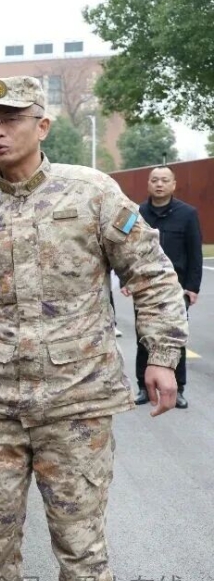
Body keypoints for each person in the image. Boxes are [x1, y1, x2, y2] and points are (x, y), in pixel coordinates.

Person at [0, 76, 188, 581]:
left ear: (43, 126)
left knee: (81, 546)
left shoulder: (92, 193)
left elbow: (151, 273)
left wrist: (161, 355)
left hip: (77, 404)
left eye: (11, 120)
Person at [122, 165, 202, 408]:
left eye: (164, 180)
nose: (159, 184)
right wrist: (126, 280)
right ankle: (143, 388)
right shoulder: (135, 213)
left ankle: (178, 388)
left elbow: (195, 253)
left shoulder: (188, 214)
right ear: (148, 184)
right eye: (155, 180)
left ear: (173, 184)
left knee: (174, 339)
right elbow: (122, 246)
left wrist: (193, 287)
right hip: (144, 287)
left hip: (176, 289)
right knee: (143, 338)